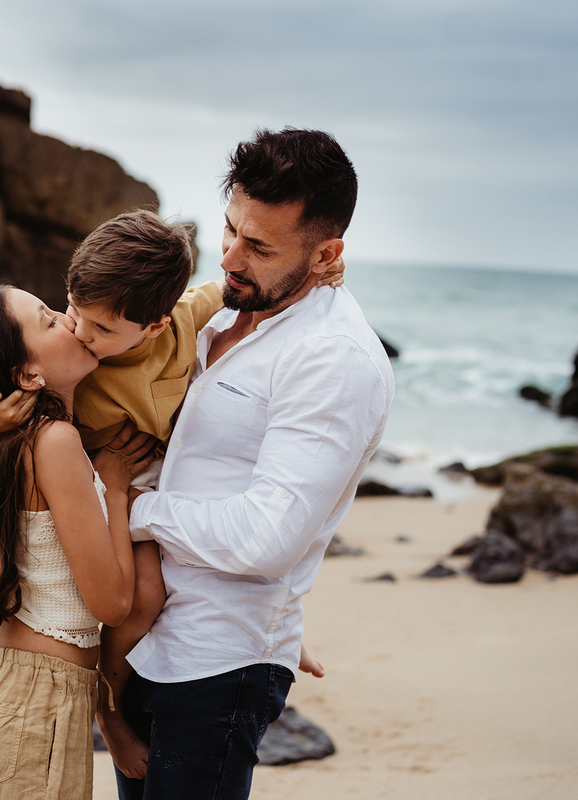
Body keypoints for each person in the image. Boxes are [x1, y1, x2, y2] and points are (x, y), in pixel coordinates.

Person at [0, 210, 340, 779]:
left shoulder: (185, 316)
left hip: (163, 480)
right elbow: (31, 412)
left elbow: (249, 289)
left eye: (101, 328)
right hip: (106, 489)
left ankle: (279, 635)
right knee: (145, 596)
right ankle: (111, 717)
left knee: (210, 575)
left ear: (153, 327)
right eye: (72, 311)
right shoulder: (80, 360)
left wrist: (322, 274)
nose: (80, 332)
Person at [115, 128, 395, 799]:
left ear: (326, 254)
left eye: (260, 247)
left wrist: (131, 511)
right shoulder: (215, 316)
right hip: (141, 640)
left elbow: (267, 539)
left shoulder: (333, 357)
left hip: (218, 663)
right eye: (230, 229)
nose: (231, 257)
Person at [0, 282, 156, 799]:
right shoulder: (55, 441)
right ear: (28, 375)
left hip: (17, 695)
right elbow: (112, 604)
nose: (70, 319)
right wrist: (116, 487)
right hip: (32, 703)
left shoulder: (21, 441)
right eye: (49, 319)